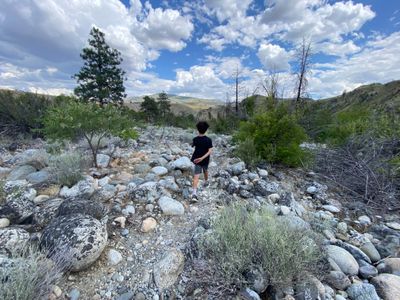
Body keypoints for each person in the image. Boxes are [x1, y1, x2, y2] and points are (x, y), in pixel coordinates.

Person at [191, 121, 213, 200]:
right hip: (205, 159)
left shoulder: (195, 139)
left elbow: (193, 145)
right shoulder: (208, 140)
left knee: (196, 176)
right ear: (206, 130)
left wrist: (200, 158)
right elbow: (210, 151)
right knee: (205, 170)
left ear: (198, 129)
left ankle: (194, 194)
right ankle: (206, 181)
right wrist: (202, 158)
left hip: (196, 159)